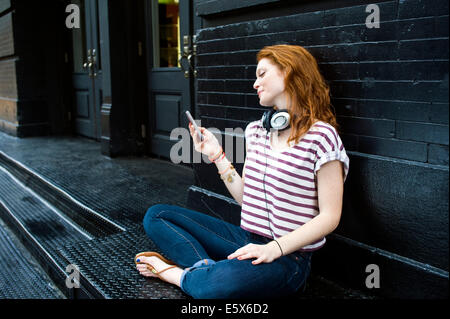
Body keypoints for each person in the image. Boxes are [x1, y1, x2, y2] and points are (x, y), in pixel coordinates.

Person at [135, 44, 349, 299]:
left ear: (289, 72)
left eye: (261, 74)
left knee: (215, 287)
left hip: (289, 258)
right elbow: (246, 198)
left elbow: (330, 217)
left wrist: (275, 248)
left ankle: (172, 273)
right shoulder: (256, 131)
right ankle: (204, 271)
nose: (254, 84)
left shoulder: (322, 137)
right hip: (245, 238)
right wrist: (216, 155)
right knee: (157, 215)